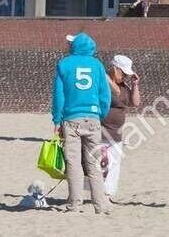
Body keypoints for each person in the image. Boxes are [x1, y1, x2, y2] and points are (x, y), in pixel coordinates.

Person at [51, 32, 113, 215]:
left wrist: (57, 119)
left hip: (72, 119)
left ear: (74, 46)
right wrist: (101, 113)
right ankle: (100, 205)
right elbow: (105, 94)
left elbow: (59, 96)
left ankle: (75, 204)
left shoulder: (64, 64)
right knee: (93, 163)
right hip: (93, 117)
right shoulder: (97, 65)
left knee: (73, 163)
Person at [100, 54, 141, 201]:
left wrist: (135, 84)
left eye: (126, 74)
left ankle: (108, 194)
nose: (124, 76)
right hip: (101, 130)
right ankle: (97, 193)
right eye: (122, 73)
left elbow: (135, 103)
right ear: (114, 68)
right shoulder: (103, 81)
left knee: (114, 164)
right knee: (100, 163)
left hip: (116, 133)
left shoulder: (123, 86)